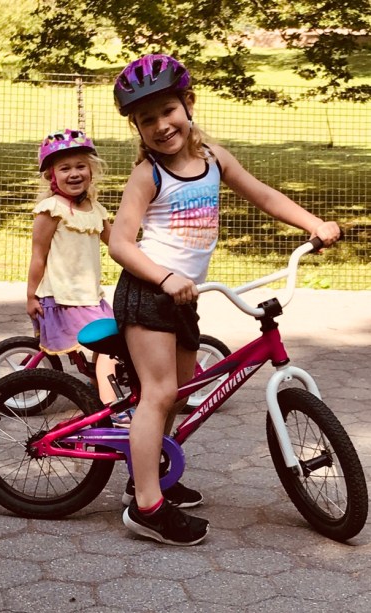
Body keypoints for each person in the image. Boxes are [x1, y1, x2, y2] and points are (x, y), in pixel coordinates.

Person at [109, 53, 341, 546]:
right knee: (158, 394)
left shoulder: (214, 158)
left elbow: (263, 195)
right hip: (149, 293)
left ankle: (151, 472)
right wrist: (165, 277)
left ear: (188, 104)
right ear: (137, 128)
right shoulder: (148, 175)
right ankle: (146, 507)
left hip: (183, 299)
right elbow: (120, 243)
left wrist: (313, 224)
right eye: (147, 119)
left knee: (179, 392)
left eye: (167, 110)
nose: (161, 125)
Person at [27, 128, 115, 403]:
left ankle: (99, 389)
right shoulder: (51, 209)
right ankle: (113, 407)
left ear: (91, 170)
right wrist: (30, 296)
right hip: (64, 298)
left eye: (81, 166)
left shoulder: (95, 209)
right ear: (51, 175)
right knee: (113, 346)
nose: (74, 173)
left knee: (108, 342)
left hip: (89, 297)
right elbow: (38, 256)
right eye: (65, 168)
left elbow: (117, 245)